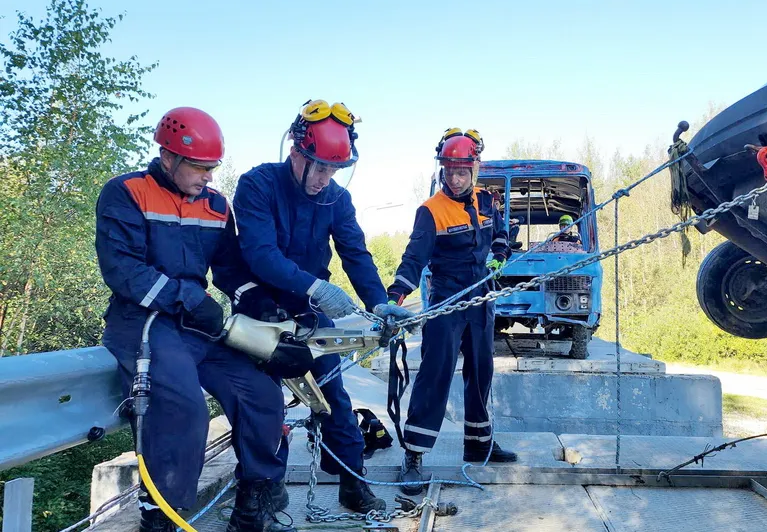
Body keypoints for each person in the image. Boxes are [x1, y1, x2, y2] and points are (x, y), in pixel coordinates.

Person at [96, 107, 289, 532]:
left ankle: (252, 506)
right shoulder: (126, 192)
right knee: (184, 409)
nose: (208, 178)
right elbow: (122, 269)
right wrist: (185, 296)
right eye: (200, 168)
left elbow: (231, 269)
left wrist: (263, 307)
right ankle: (162, 518)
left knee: (261, 395)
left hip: (195, 326)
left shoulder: (216, 205)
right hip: (143, 324)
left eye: (212, 168)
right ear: (169, 158)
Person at [231, 99, 416, 513]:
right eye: (318, 167)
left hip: (308, 312)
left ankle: (352, 481)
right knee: (264, 402)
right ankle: (264, 491)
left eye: (334, 170)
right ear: (295, 151)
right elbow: (261, 254)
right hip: (259, 310)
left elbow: (355, 253)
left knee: (332, 394)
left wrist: (380, 303)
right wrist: (315, 286)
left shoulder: (335, 199)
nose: (324, 179)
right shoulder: (258, 185)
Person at [378, 128, 518, 496]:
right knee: (436, 372)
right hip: (446, 300)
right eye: (449, 171)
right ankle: (414, 454)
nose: (454, 179)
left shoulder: (488, 201)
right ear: (442, 170)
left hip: (481, 298)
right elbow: (414, 258)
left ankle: (478, 442)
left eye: (462, 171)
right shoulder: (430, 211)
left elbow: (501, 234)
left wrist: (500, 255)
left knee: (481, 369)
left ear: (475, 169)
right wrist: (396, 296)